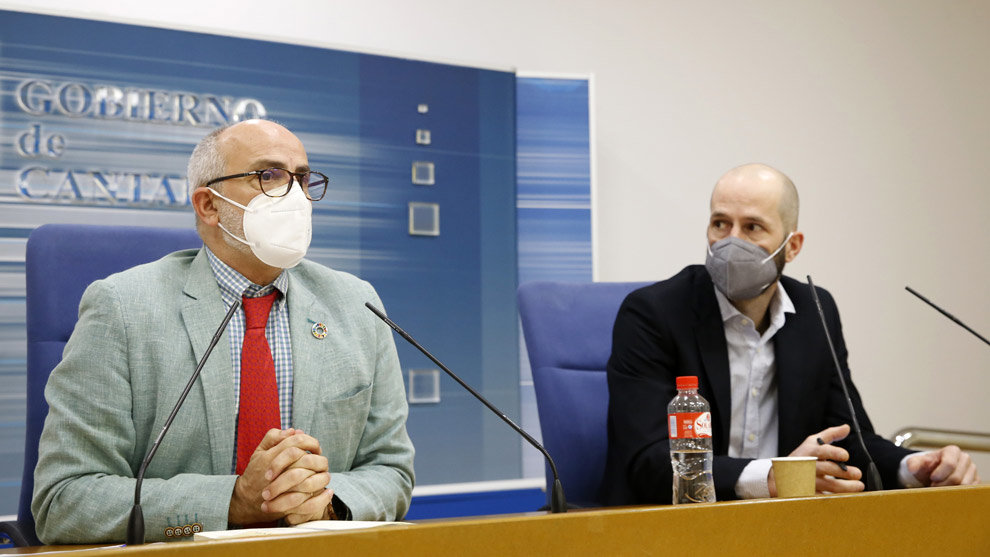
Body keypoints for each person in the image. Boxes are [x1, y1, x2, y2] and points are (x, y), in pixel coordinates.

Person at [32, 120, 415, 543]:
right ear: (208, 205)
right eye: (268, 176)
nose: (294, 196)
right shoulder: (122, 308)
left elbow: (391, 469)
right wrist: (230, 502)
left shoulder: (356, 305)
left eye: (301, 178)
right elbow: (64, 502)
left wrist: (331, 502)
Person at [602, 163, 978, 505]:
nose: (731, 241)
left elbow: (848, 439)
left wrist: (917, 467)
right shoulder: (654, 312)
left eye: (752, 227)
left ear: (792, 246)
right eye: (720, 223)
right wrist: (772, 477)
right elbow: (647, 461)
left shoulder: (815, 310)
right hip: (678, 524)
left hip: (786, 525)